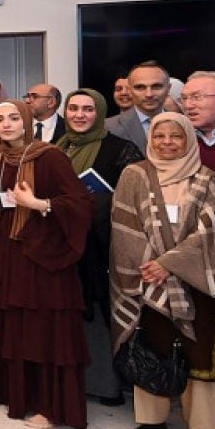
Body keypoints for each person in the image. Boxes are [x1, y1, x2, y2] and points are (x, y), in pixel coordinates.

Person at [109, 113, 215, 429]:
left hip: (195, 281)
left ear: (188, 140)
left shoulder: (207, 179)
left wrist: (169, 264)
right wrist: (152, 267)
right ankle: (152, 417)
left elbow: (212, 230)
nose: (166, 143)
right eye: (159, 136)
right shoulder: (134, 175)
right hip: (146, 279)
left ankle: (204, 428)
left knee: (199, 351)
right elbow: (124, 226)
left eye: (175, 136)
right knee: (154, 346)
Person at [0, 100, 93, 429]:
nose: (6, 124)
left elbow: (80, 204)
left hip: (45, 256)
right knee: (18, 327)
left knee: (46, 331)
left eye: (14, 118)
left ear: (28, 120)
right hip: (11, 252)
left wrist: (38, 204)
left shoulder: (50, 156)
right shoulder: (1, 157)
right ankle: (23, 398)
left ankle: (52, 406)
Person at [53, 89, 144, 407]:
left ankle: (107, 385)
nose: (79, 115)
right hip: (64, 244)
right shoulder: (57, 148)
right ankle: (74, 380)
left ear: (100, 113)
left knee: (103, 314)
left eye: (88, 109)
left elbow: (137, 197)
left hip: (104, 245)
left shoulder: (120, 149)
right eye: (73, 109)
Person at [109, 63, 172, 151]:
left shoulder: (185, 125)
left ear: (169, 89)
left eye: (156, 87)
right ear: (130, 90)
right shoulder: (109, 127)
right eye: (140, 87)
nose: (149, 94)